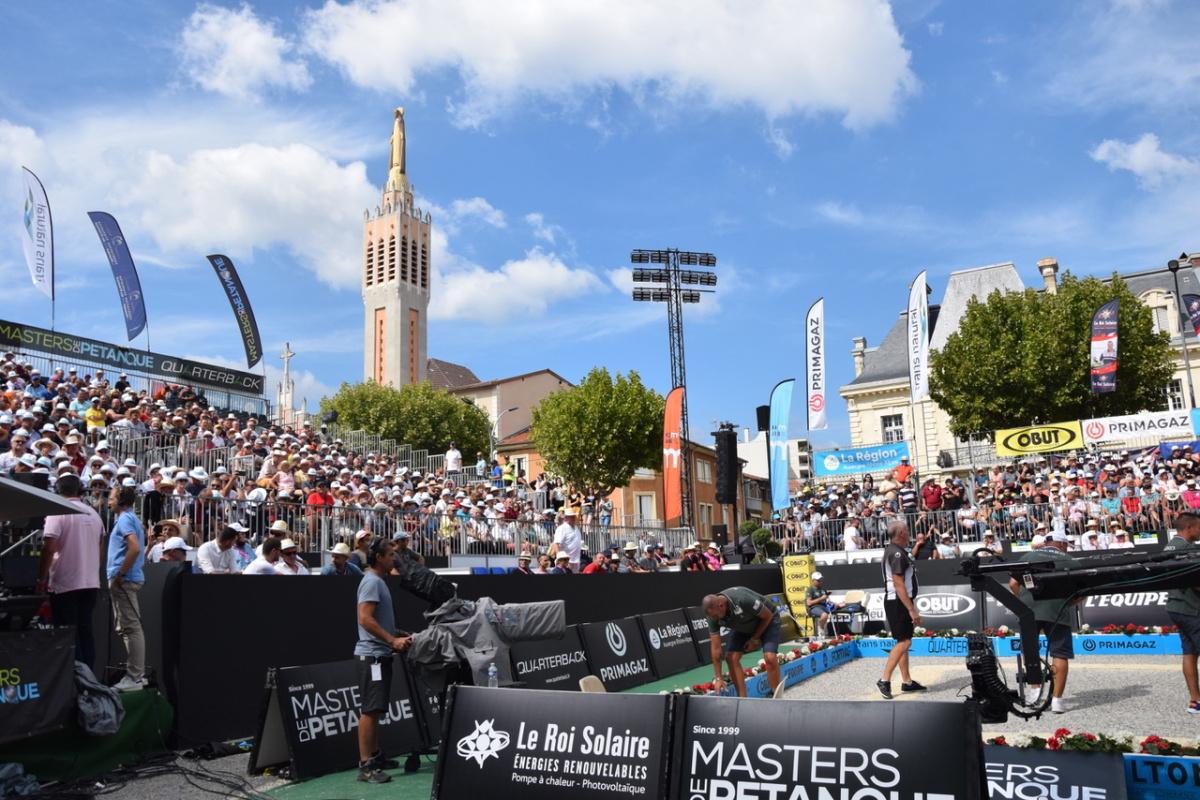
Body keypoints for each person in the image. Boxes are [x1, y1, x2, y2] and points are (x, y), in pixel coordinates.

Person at [355, 539, 411, 784]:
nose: (393, 559)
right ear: (378, 557)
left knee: (376, 709)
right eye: (389, 555)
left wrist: (397, 634)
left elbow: (376, 620)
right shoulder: (372, 582)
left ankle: (375, 756)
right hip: (372, 656)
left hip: (379, 653)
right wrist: (391, 640)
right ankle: (366, 766)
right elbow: (365, 619)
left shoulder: (378, 582)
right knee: (370, 710)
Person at [37, 474, 103, 669]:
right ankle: (88, 679)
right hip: (90, 583)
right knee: (85, 632)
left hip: (65, 584)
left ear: (57, 491)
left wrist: (41, 580)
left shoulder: (57, 513)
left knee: (70, 634)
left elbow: (49, 548)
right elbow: (100, 548)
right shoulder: (94, 514)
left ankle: (77, 680)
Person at [1008, 529, 1076, 713]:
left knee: (1030, 650)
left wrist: (1024, 602)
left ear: (1046, 543)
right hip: (1058, 611)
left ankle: (1035, 692)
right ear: (1062, 544)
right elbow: (1081, 591)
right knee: (1060, 653)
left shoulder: (1028, 556)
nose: (1067, 549)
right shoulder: (1070, 560)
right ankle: (1057, 701)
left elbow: (1013, 584)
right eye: (1066, 545)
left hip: (1029, 611)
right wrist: (1066, 604)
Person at [877, 521, 926, 699]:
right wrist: (911, 610)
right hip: (897, 601)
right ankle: (884, 680)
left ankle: (907, 681)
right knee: (904, 643)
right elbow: (898, 584)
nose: (909, 532)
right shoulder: (896, 553)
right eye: (906, 530)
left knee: (903, 640)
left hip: (899, 601)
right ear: (901, 534)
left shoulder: (896, 550)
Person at [703, 587, 781, 697]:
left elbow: (767, 616)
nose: (714, 619)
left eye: (715, 616)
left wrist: (754, 639)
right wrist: (719, 678)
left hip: (767, 620)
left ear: (721, 605)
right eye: (712, 617)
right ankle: (743, 699)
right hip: (743, 626)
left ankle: (776, 695)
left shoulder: (742, 599)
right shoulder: (712, 616)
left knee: (770, 657)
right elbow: (716, 648)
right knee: (731, 658)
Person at [106, 486, 146, 692]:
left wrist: (120, 574)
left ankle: (135, 676)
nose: (108, 501)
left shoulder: (125, 519)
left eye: (111, 498)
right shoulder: (129, 518)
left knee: (131, 628)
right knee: (126, 628)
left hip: (124, 580)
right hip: (125, 579)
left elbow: (135, 548)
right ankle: (136, 675)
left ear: (121, 500)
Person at [1163, 512, 1200, 714]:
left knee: (1189, 653)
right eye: (1199, 527)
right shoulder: (1187, 548)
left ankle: (1195, 701)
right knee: (1191, 653)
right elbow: (1194, 581)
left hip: (1175, 605)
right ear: (1189, 528)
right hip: (1191, 607)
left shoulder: (1169, 546)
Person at [804, 572, 843, 641]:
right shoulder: (810, 590)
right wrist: (821, 598)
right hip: (814, 607)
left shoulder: (823, 589)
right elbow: (809, 603)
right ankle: (821, 629)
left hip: (824, 606)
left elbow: (827, 601)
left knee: (841, 606)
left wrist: (836, 604)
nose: (820, 582)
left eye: (821, 580)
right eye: (818, 580)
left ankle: (837, 634)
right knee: (824, 615)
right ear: (813, 580)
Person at [549, 507, 582, 572]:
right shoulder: (561, 528)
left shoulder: (576, 528)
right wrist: (559, 558)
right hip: (565, 561)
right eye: (571, 516)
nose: (573, 518)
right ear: (566, 518)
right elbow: (556, 544)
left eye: (573, 516)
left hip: (576, 560)